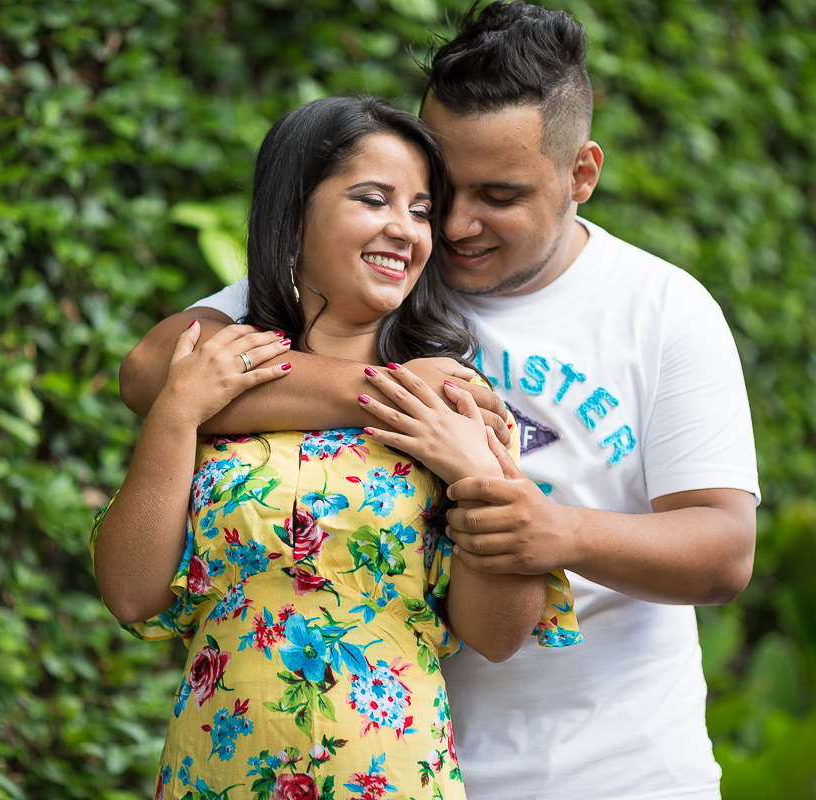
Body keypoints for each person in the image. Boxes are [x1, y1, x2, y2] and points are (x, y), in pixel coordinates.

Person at [118, 3, 760, 798]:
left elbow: (722, 550)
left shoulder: (662, 309)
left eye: (499, 195)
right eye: (441, 190)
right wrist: (407, 395)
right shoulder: (380, 269)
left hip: (614, 771)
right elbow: (155, 371)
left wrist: (555, 530)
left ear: (581, 175)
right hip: (387, 765)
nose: (453, 224)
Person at [90, 96, 580, 800]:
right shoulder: (215, 375)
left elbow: (497, 634)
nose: (404, 229)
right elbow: (131, 593)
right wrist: (176, 413)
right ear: (293, 216)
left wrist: (476, 472)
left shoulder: (451, 400)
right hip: (218, 775)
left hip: (395, 776)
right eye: (373, 199)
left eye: (420, 211)